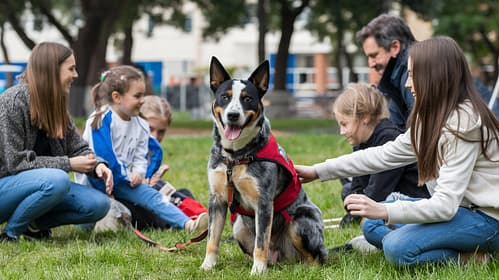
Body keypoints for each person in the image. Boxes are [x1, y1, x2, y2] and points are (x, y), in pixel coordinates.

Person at [296, 36, 499, 265]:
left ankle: (473, 256)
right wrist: (317, 171)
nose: (407, 84)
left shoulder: (465, 124)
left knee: (396, 248)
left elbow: (444, 206)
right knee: (371, 223)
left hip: (485, 221)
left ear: (434, 76)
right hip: (457, 213)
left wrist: (383, 208)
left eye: (412, 75)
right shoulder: (431, 118)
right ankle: (426, 242)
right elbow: (384, 155)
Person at [0, 42, 113, 241]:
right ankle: (10, 234)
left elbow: (77, 147)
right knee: (58, 179)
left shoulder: (57, 104)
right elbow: (15, 163)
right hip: (6, 188)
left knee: (99, 204)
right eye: (71, 69)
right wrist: (68, 164)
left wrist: (97, 165)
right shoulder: (13, 101)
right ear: (51, 70)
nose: (76, 74)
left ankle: (32, 225)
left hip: (43, 185)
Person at [77, 65, 207, 236]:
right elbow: (104, 157)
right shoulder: (101, 119)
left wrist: (139, 172)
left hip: (124, 182)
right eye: (137, 95)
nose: (143, 100)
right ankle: (105, 223)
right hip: (97, 184)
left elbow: (140, 155)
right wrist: (125, 177)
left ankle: (188, 224)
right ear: (117, 97)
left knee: (154, 196)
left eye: (143, 94)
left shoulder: (141, 124)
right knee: (109, 209)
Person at [332, 83, 429, 227]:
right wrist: (353, 204)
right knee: (348, 190)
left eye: (344, 124)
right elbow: (357, 184)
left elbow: (379, 190)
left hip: (408, 198)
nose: (341, 131)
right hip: (382, 194)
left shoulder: (388, 137)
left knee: (371, 222)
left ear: (364, 118)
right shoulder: (360, 140)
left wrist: (356, 213)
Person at [118, 95, 208, 230]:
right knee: (154, 199)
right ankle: (175, 223)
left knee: (181, 192)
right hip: (128, 199)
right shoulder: (125, 143)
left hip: (147, 194)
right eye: (150, 128)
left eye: (161, 131)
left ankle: (195, 215)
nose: (155, 136)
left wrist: (154, 179)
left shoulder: (152, 152)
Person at [356, 14, 416, 130]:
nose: (371, 64)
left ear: (395, 47)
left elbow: (420, 134)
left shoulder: (412, 75)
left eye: (374, 55)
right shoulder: (395, 81)